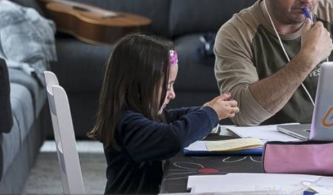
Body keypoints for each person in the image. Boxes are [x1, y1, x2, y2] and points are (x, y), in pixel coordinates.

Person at [88, 33, 239, 194]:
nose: (172, 94)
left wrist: (206, 109)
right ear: (139, 86)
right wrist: (210, 114)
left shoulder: (143, 115)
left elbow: (174, 116)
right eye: (168, 86)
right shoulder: (127, 123)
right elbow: (173, 138)